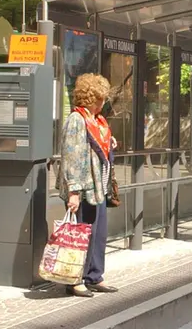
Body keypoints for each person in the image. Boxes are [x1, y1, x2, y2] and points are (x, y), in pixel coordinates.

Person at [58, 73, 119, 297]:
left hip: (98, 189)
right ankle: (75, 279)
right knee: (80, 235)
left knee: (97, 234)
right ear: (91, 97)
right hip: (84, 188)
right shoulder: (77, 119)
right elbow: (72, 156)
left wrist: (109, 142)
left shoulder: (98, 121)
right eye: (100, 98)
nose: (103, 103)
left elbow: (98, 147)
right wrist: (73, 191)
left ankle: (94, 275)